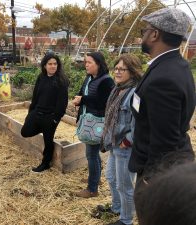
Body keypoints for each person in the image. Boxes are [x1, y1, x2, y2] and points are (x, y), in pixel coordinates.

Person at [128, 7, 196, 219]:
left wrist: (152, 180)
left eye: (145, 31)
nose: (143, 35)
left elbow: (164, 140)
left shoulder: (163, 78)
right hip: (170, 162)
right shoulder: (175, 65)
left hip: (159, 171)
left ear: (155, 34)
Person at [98, 54, 143, 225]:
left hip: (125, 147)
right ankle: (116, 208)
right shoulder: (117, 89)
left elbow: (139, 122)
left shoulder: (135, 93)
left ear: (132, 71)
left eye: (122, 69)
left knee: (124, 186)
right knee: (111, 178)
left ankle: (126, 220)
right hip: (114, 144)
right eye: (116, 68)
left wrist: (127, 141)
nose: (117, 71)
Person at [73, 52, 115, 198]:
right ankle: (95, 178)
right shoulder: (90, 77)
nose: (86, 65)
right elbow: (82, 94)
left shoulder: (107, 81)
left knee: (91, 154)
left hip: (97, 122)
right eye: (85, 62)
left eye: (89, 62)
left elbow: (104, 103)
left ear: (98, 64)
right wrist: (79, 99)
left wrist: (83, 100)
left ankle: (92, 189)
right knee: (92, 153)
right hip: (88, 120)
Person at [21, 53, 69, 173]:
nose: (53, 66)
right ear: (44, 65)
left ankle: (45, 163)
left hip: (50, 117)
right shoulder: (41, 77)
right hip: (37, 112)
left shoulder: (61, 81)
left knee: (48, 142)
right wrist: (30, 113)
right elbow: (35, 96)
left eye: (55, 64)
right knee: (25, 131)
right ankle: (43, 128)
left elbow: (62, 103)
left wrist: (54, 120)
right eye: (50, 64)